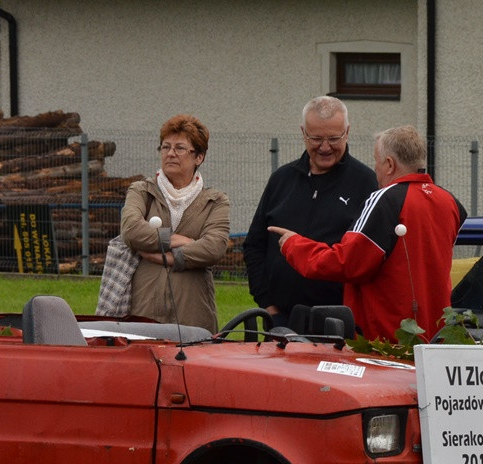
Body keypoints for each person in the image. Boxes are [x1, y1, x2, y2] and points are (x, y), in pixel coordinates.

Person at [267, 125, 467, 340]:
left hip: (388, 337)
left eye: (377, 161)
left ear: (389, 164)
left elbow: (348, 263)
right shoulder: (451, 203)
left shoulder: (385, 199)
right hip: (434, 335)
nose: (375, 169)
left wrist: (294, 245)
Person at [242, 96, 378, 328]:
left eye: (334, 138)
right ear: (303, 133)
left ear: (347, 132)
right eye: (316, 138)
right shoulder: (281, 180)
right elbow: (254, 245)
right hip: (280, 319)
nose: (325, 147)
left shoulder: (367, 183)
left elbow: (367, 259)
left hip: (340, 322)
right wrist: (268, 306)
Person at [118, 114, 230, 332]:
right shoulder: (142, 190)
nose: (170, 153)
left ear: (199, 157)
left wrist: (171, 258)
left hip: (193, 312)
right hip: (144, 311)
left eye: (180, 148)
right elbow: (131, 230)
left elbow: (214, 247)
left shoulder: (215, 200)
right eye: (165, 147)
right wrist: (172, 239)